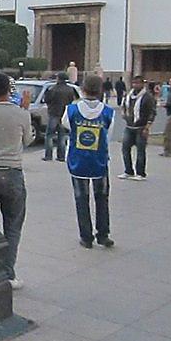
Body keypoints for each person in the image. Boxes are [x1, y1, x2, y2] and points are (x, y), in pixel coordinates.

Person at [61, 75, 115, 249]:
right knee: (102, 197)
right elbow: (109, 135)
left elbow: (66, 126)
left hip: (78, 160)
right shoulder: (108, 112)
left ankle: (86, 236)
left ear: (82, 89)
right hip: (99, 160)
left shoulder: (71, 110)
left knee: (81, 198)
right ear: (100, 90)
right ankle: (103, 234)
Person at [0, 72, 33, 289]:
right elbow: (29, 139)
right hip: (12, 170)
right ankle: (8, 272)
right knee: (13, 225)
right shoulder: (19, 113)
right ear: (9, 90)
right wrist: (26, 111)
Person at [119, 75, 156, 181]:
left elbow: (152, 112)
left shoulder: (147, 97)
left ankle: (140, 173)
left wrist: (147, 127)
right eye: (134, 83)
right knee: (125, 148)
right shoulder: (129, 95)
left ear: (142, 84)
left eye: (138, 83)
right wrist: (123, 113)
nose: (135, 85)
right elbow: (123, 106)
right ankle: (128, 171)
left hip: (141, 127)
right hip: (129, 126)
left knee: (140, 150)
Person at [41, 72, 74, 162]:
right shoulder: (70, 89)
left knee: (49, 135)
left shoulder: (53, 89)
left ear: (58, 79)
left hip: (54, 113)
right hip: (64, 113)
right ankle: (61, 156)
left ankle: (48, 155)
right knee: (62, 136)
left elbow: (47, 100)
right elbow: (71, 100)